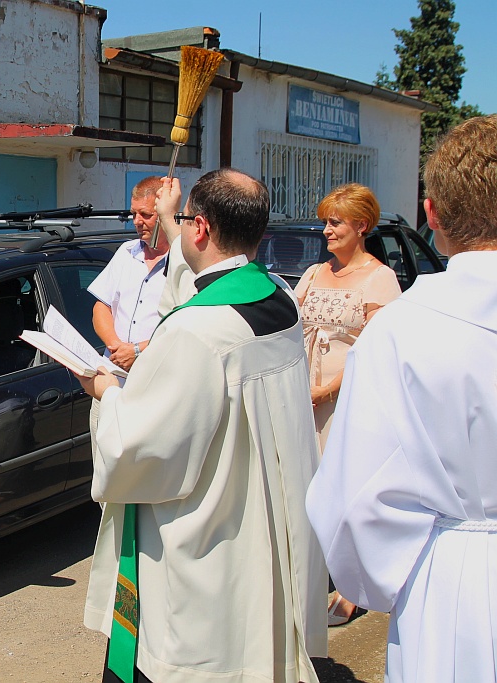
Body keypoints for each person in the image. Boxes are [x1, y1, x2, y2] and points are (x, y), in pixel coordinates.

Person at [78, 168, 327, 683]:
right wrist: (171, 220)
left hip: (205, 537)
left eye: (187, 219)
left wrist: (105, 390)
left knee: (190, 655)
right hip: (257, 516)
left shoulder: (195, 332)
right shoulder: (276, 297)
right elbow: (191, 286)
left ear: (203, 228)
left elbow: (138, 451)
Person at [306, 115, 497, 683]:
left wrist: (379, 580)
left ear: (431, 213)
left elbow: (352, 504)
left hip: (454, 582)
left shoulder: (402, 329)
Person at [294, 183, 401, 626]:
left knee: (347, 491)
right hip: (301, 395)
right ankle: (308, 575)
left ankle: (352, 588)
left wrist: (327, 391)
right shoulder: (315, 272)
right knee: (305, 487)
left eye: (334, 222)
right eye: (325, 222)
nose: (325, 230)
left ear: (361, 225)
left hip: (345, 402)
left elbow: (374, 351)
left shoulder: (381, 279)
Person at [89, 176, 171, 376]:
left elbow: (185, 328)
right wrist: (117, 348)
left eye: (145, 214)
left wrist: (137, 351)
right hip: (113, 374)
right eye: (133, 214)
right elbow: (101, 306)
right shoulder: (126, 252)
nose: (137, 221)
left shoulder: (183, 262)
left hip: (155, 377)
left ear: (165, 214)